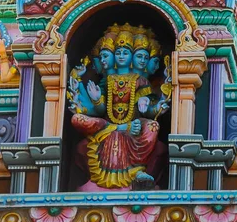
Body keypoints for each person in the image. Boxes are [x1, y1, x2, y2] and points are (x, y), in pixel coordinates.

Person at [68, 24, 169, 190]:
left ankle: (137, 171)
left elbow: (148, 109)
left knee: (153, 126)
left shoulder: (140, 81)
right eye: (119, 52)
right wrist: (96, 99)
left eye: (126, 52)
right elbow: (101, 111)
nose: (122, 56)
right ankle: (98, 177)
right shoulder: (108, 81)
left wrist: (146, 104)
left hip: (134, 124)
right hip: (108, 125)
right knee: (77, 119)